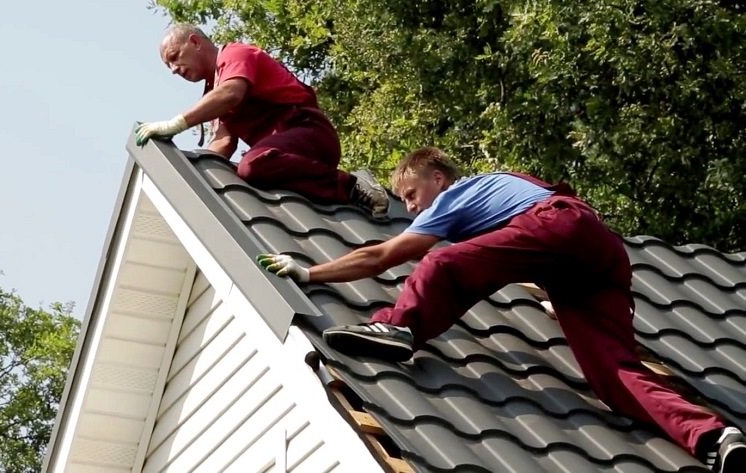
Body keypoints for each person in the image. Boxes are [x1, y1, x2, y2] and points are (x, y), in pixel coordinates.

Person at [257, 146, 746, 472]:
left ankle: (397, 329)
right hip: (596, 252)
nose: (409, 210)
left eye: (411, 194)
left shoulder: (455, 196)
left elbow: (383, 256)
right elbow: (538, 249)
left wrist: (308, 272)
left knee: (443, 261)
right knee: (615, 378)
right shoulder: (509, 191)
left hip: (558, 230)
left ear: (438, 177)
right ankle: (715, 439)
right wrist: (562, 301)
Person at [134, 24, 389, 218]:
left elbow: (232, 93)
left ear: (195, 42)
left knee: (252, 167)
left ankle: (354, 186)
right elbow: (223, 143)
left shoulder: (236, 55)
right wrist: (197, 178)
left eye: (175, 56)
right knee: (247, 172)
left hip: (309, 131)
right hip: (287, 154)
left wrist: (175, 124)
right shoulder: (214, 91)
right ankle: (343, 199)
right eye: (168, 65)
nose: (174, 69)